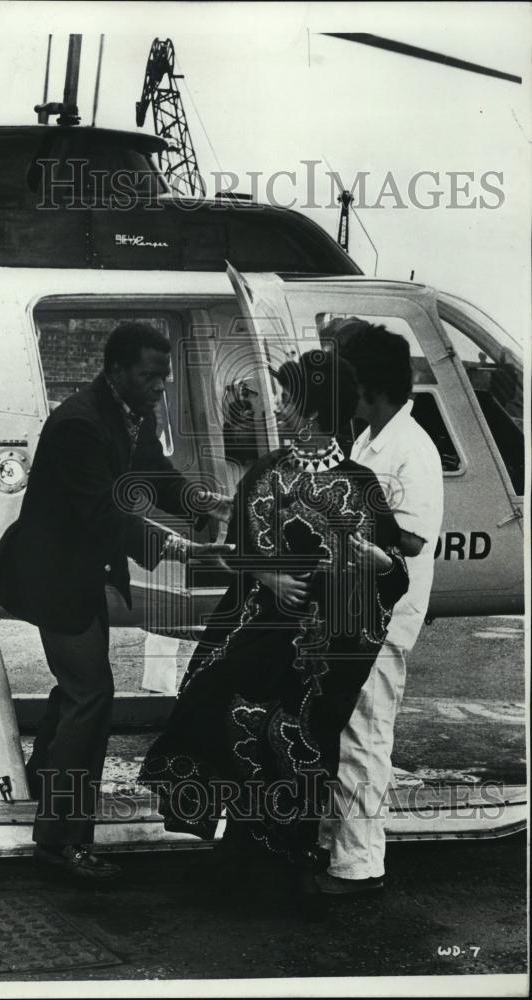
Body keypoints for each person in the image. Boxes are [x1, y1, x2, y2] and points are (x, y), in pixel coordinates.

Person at [138, 349, 409, 882]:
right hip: (255, 634)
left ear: (312, 410)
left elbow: (392, 575)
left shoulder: (362, 486)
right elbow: (235, 550)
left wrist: (378, 563)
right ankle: (241, 847)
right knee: (217, 712)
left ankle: (284, 853)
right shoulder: (265, 473)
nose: (276, 409)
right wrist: (271, 576)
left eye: (285, 399)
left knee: (291, 735)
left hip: (316, 651)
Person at [0, 321, 233, 881]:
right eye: (150, 375)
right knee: (90, 697)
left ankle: (41, 781)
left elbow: (155, 475)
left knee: (78, 692)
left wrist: (210, 504)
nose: (160, 387)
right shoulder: (79, 424)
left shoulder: (125, 410)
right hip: (53, 578)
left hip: (78, 574)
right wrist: (181, 550)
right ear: (116, 369)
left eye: (164, 376)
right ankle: (59, 840)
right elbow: (103, 514)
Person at [316, 320, 444, 895]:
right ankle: (336, 843)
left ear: (369, 386)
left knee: (366, 732)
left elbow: (412, 540)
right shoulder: (369, 438)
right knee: (343, 727)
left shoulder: (411, 450)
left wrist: (346, 531)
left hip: (386, 613)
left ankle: (359, 865)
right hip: (355, 605)